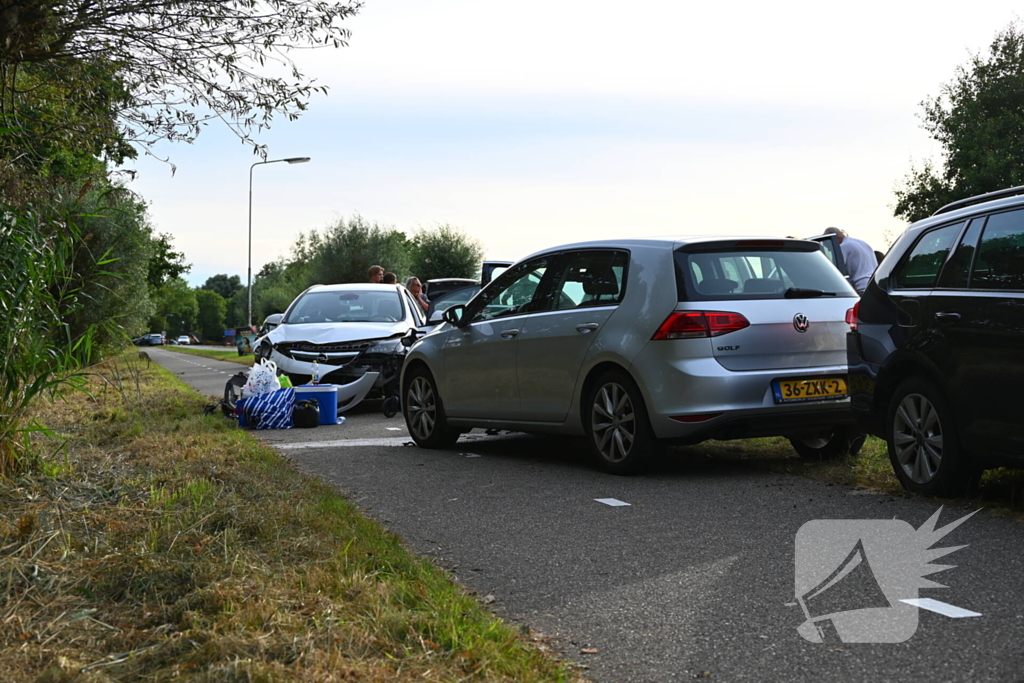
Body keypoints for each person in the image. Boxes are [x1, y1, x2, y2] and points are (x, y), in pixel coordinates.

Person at [824, 227, 876, 294]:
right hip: (874, 283)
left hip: (860, 286)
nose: (829, 250)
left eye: (828, 245)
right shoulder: (862, 243)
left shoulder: (843, 247)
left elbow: (837, 269)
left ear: (835, 238)